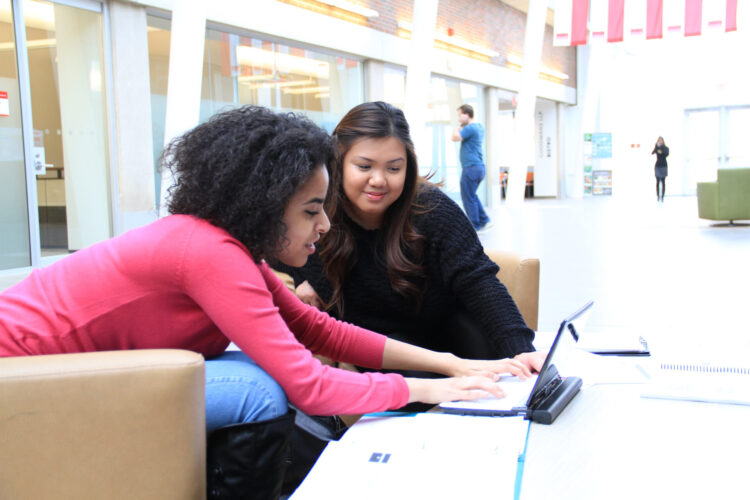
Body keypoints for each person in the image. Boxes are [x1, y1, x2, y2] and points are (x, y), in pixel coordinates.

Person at [0, 106, 533, 500]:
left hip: (63, 367)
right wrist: (439, 388)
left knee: (264, 368)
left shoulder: (226, 248)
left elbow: (321, 331)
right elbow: (308, 381)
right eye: (310, 211)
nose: (324, 226)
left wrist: (453, 363)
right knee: (261, 386)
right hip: (29, 374)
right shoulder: (209, 254)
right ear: (265, 203)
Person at [275, 102, 545, 387]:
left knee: (503, 376)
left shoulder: (432, 210)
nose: (378, 180)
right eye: (364, 166)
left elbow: (478, 280)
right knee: (418, 383)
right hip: (378, 345)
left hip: (444, 333)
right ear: (338, 162)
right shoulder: (316, 212)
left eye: (394, 168)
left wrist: (522, 350)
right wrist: (300, 279)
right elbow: (274, 252)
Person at [451, 103, 491, 232]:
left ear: (467, 115)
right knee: (472, 195)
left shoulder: (470, 128)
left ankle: (475, 226)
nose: (459, 118)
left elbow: (454, 137)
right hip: (478, 168)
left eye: (460, 115)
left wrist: (459, 125)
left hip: (471, 168)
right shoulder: (479, 127)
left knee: (467, 197)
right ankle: (485, 220)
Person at [652, 136, 670, 202]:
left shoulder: (666, 148)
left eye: (661, 140)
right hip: (658, 166)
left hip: (664, 166)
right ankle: (658, 196)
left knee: (663, 182)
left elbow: (666, 154)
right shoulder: (657, 148)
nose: (660, 141)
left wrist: (661, 150)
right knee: (657, 182)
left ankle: (662, 196)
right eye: (658, 140)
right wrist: (656, 147)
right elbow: (652, 152)